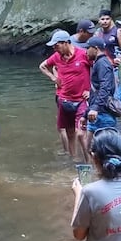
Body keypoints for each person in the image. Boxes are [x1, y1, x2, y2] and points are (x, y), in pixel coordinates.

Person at [39, 30, 90, 158]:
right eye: (54, 46)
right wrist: (53, 77)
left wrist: (90, 90)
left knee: (81, 133)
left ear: (66, 43)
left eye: (57, 45)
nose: (55, 48)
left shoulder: (83, 54)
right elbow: (42, 66)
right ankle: (73, 160)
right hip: (64, 99)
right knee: (69, 132)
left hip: (81, 100)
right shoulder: (56, 56)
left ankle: (88, 160)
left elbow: (96, 71)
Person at [85, 35, 119, 147]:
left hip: (103, 114)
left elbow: (105, 88)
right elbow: (96, 91)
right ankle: (92, 165)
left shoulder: (103, 64)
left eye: (87, 48)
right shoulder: (99, 63)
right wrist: (85, 114)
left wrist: (95, 108)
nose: (86, 52)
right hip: (97, 113)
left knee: (106, 151)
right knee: (89, 147)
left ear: (95, 48)